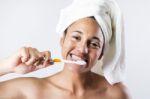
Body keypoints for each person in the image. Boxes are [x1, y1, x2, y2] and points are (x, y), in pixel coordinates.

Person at [0, 0, 130, 99]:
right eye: (76, 37)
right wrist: (8, 66)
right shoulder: (30, 91)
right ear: (62, 39)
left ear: (101, 53)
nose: (82, 49)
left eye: (94, 44)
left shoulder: (116, 93)